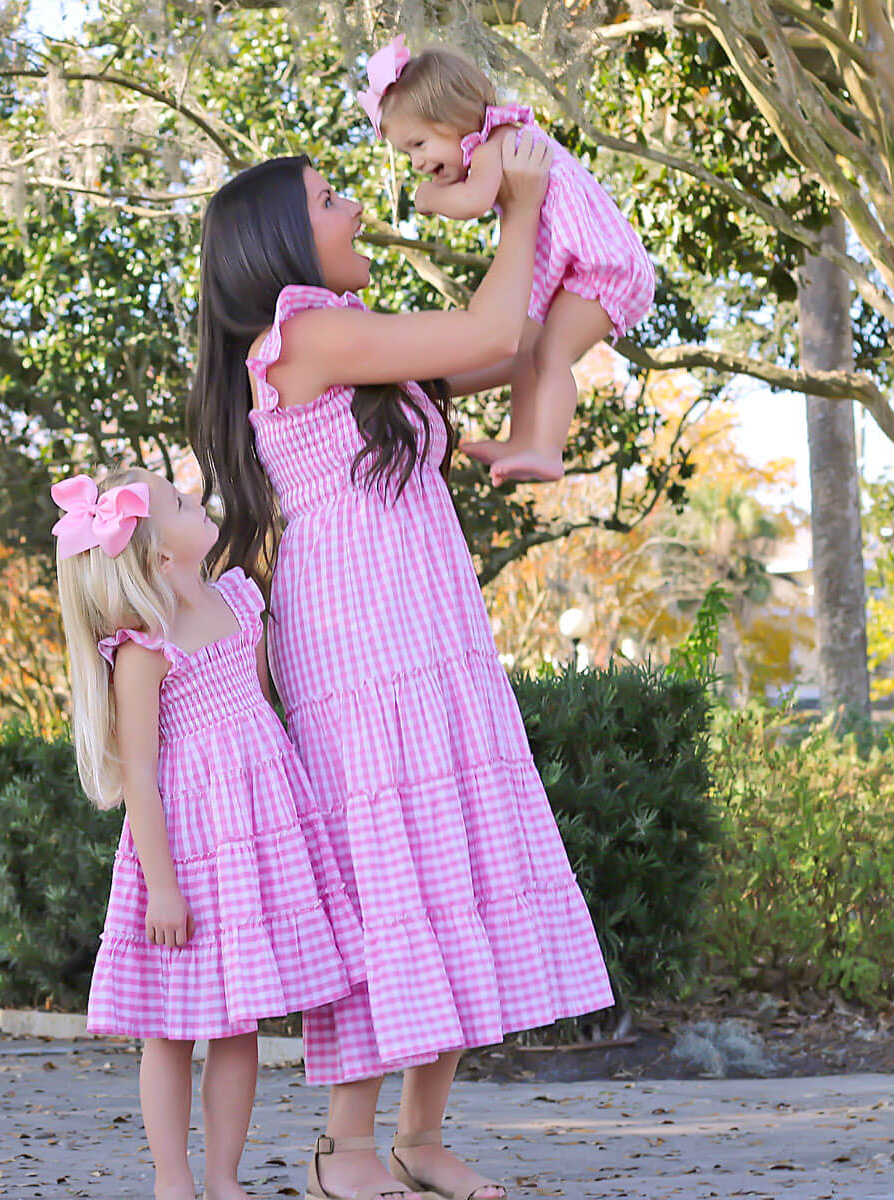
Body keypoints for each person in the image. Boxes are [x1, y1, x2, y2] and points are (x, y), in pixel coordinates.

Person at [188, 134, 615, 1200]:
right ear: (283, 245)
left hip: (430, 632)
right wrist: (512, 207)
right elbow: (480, 325)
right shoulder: (300, 336)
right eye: (331, 202)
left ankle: (423, 1138)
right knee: (388, 878)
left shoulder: (357, 348)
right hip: (362, 641)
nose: (358, 213)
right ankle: (348, 1145)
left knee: (448, 864)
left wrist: (571, 234)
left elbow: (504, 341)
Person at [52, 467, 363, 1200]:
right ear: (162, 555)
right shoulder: (142, 650)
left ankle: (224, 1178)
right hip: (186, 851)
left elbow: (259, 712)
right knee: (168, 1029)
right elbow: (141, 778)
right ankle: (173, 1180)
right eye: (185, 503)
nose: (202, 501)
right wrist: (162, 885)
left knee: (237, 1022)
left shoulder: (239, 601)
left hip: (252, 841)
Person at [359, 36, 655, 484]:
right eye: (408, 153)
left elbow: (475, 201)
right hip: (572, 268)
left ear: (454, 117)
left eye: (418, 144)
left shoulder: (496, 141)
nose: (418, 162)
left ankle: (547, 449)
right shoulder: (494, 141)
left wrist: (430, 198)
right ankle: (523, 439)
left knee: (551, 353)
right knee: (527, 349)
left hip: (602, 269)